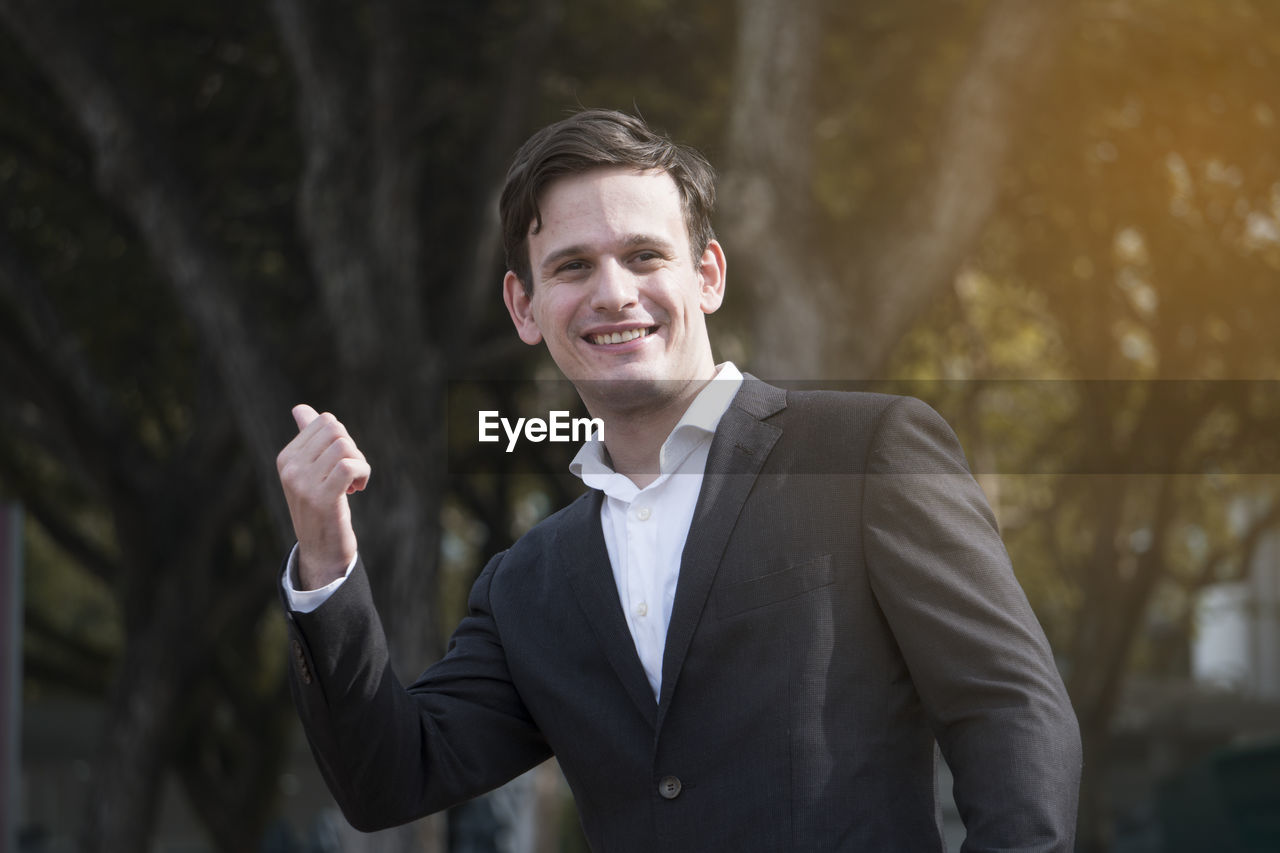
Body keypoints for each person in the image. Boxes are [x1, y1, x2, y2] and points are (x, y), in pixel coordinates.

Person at [276, 109, 1082, 852]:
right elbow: (390, 775)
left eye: (644, 255)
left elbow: (1009, 708)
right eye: (572, 265)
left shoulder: (866, 451)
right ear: (525, 307)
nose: (613, 292)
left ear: (708, 274)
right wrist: (323, 566)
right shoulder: (527, 584)